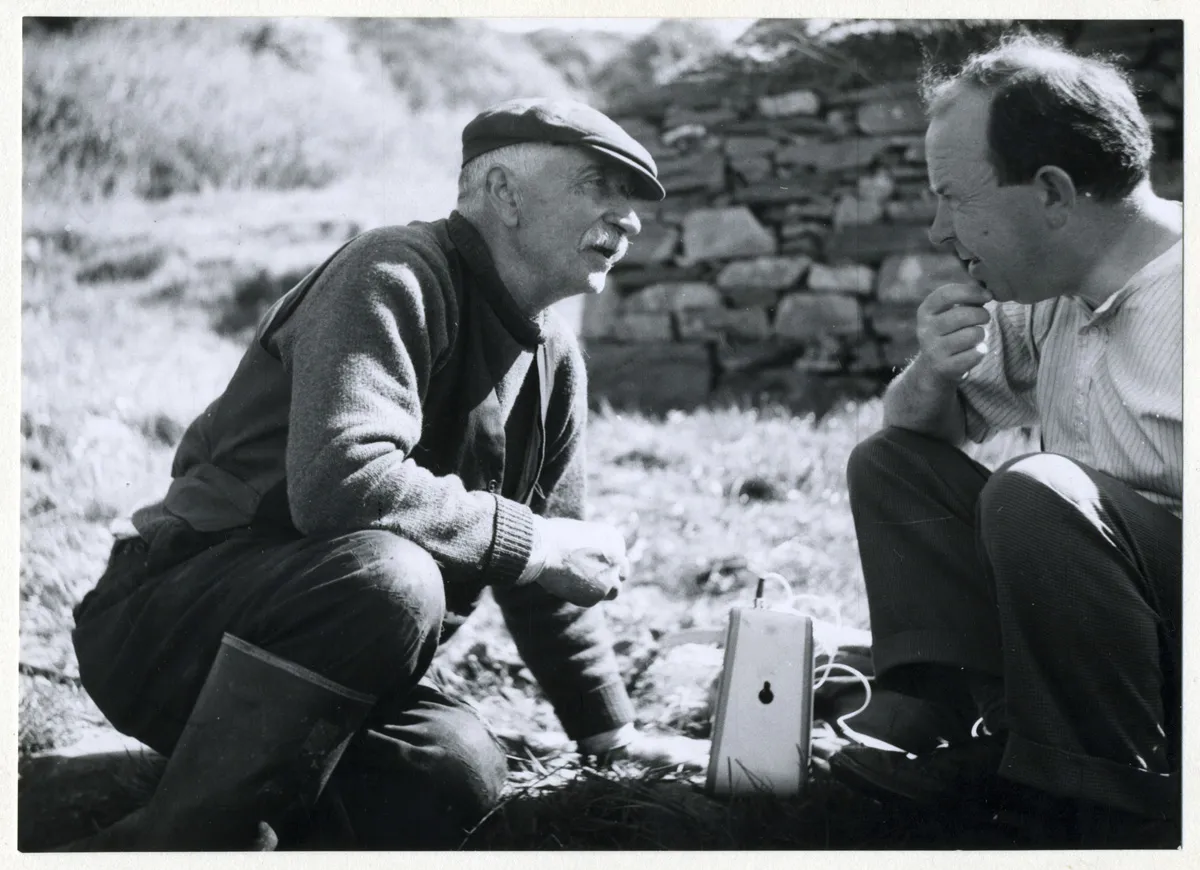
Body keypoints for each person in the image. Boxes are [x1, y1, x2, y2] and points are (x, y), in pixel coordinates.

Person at [66, 98, 706, 851]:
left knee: (457, 777)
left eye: (633, 202)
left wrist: (611, 734)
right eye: (602, 185)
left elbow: (551, 575)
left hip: (342, 659)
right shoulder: (392, 270)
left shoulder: (556, 362)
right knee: (392, 577)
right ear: (503, 192)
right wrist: (535, 543)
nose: (628, 220)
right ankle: (160, 850)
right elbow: (343, 483)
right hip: (169, 629)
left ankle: (235, 812)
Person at [829, 35, 1182, 847]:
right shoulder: (1042, 299)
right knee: (891, 462)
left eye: (955, 198)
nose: (936, 230)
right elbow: (921, 439)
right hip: (1087, 639)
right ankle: (939, 716)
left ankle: (1096, 799)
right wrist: (930, 372)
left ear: (1053, 193)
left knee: (1035, 490)